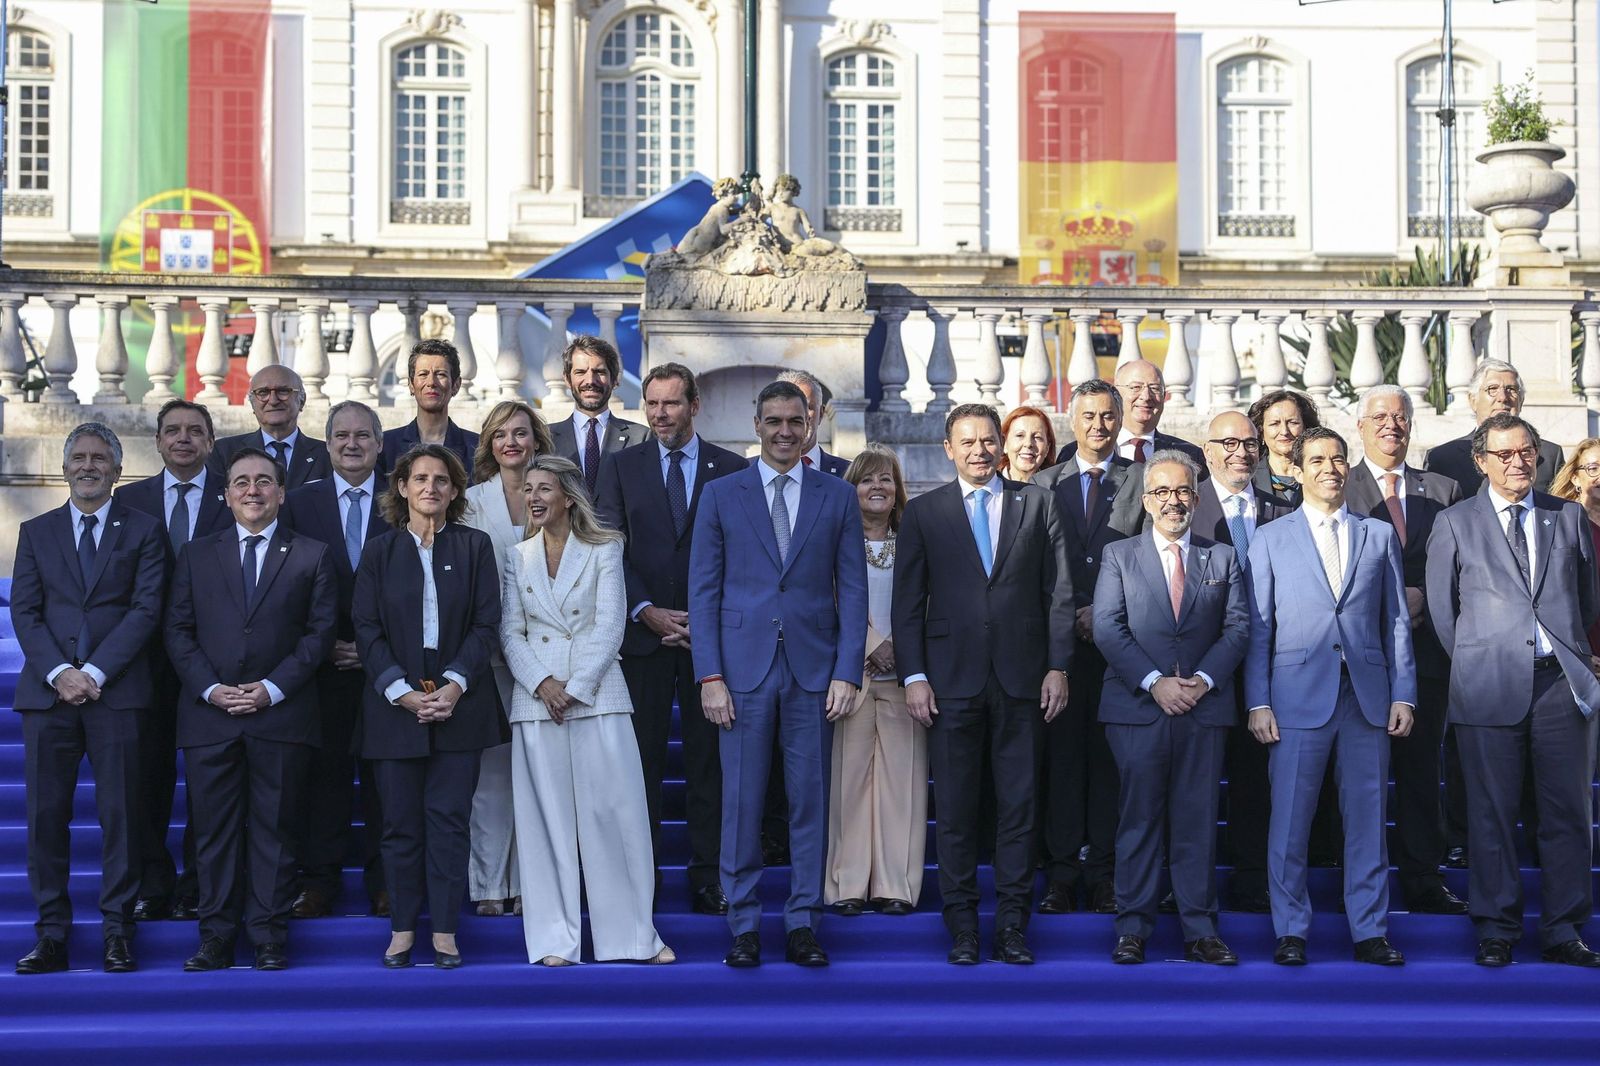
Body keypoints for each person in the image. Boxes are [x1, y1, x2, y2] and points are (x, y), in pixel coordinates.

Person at [689, 380, 868, 968]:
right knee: (740, 802)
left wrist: (847, 672)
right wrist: (709, 676)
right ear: (757, 423)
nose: (785, 431)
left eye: (796, 421)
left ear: (810, 424)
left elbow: (855, 591)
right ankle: (743, 925)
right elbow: (705, 590)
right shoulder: (721, 494)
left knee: (809, 802)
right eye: (774, 421)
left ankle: (801, 923)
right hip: (740, 672)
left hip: (815, 674)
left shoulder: (836, 496)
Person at [894, 403, 1072, 966]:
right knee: (956, 811)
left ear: (1001, 446)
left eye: (987, 440)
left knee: (1019, 807)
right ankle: (964, 927)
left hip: (1024, 679)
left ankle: (1014, 926)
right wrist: (915, 675)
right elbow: (907, 604)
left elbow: (1060, 593)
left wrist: (1058, 665)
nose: (978, 450)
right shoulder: (924, 513)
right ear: (949, 449)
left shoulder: (1040, 503)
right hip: (949, 683)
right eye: (966, 442)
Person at [1425, 413, 1600, 968]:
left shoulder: (1567, 516)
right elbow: (1442, 611)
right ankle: (1496, 928)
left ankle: (1564, 930)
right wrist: (1483, 659)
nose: (1517, 462)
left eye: (1525, 452)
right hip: (1486, 686)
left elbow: (1587, 599)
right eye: (1503, 454)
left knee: (1568, 813)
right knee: (1490, 814)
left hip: (1558, 686)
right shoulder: (1455, 522)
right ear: (1481, 461)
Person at [1244, 428, 1415, 967]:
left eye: (1338, 459)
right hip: (1294, 698)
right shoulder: (1269, 539)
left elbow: (1395, 622)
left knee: (1367, 818)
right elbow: (1258, 628)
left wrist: (1404, 693)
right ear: (1297, 470)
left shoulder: (1378, 535)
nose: (1330, 468)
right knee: (1289, 819)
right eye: (1316, 460)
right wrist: (1257, 701)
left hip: (1366, 698)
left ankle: (1370, 932)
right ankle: (1291, 930)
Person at [165, 447, 338, 971]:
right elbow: (177, 630)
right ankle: (216, 936)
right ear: (226, 494)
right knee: (213, 834)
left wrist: (270, 688)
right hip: (210, 717)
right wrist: (211, 689)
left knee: (276, 830)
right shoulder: (196, 554)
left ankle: (267, 936)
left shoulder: (312, 554)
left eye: (264, 481)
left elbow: (319, 633)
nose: (253, 490)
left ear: (282, 493)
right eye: (241, 482)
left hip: (281, 716)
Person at [500, 456, 674, 965]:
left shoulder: (605, 548)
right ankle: (555, 941)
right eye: (528, 489)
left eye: (544, 489)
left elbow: (610, 623)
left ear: (568, 497)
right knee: (545, 823)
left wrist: (575, 687)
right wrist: (542, 683)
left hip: (598, 696)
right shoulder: (517, 556)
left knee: (615, 818)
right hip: (537, 703)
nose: (533, 498)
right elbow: (510, 632)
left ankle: (633, 939)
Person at [12, 424, 165, 975]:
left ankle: (117, 933)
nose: (89, 465)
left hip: (116, 694)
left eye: (101, 457)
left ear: (118, 471)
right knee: (44, 819)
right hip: (48, 698)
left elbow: (146, 610)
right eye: (79, 456)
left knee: (120, 815)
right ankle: (51, 934)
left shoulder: (145, 531)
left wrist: (94, 671)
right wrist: (59, 672)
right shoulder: (36, 531)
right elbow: (24, 611)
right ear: (65, 467)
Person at [594, 363, 746, 917]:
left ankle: (708, 877)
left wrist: (702, 620)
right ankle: (643, 878)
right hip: (642, 642)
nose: (660, 415)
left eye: (671, 404)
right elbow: (608, 547)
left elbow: (740, 555)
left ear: (694, 405)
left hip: (711, 646)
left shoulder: (730, 469)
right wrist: (646, 610)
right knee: (642, 767)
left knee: (710, 766)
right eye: (652, 404)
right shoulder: (619, 467)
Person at [1093, 450, 1249, 965]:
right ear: (1146, 501)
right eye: (1161, 492)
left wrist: (1202, 681)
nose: (1173, 501)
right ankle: (1132, 928)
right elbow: (1107, 627)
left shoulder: (1221, 557)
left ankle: (1200, 931)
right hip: (1137, 708)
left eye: (1182, 491)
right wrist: (1156, 682)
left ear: (1197, 499)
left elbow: (1239, 628)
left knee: (1197, 820)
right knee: (1137, 819)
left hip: (1204, 710)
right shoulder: (1120, 555)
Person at [352, 445, 504, 969]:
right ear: (402, 487)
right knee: (398, 826)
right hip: (395, 708)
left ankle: (443, 930)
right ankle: (400, 930)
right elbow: (366, 630)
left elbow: (488, 625)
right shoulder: (378, 552)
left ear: (456, 490)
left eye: (442, 479)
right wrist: (401, 690)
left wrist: (456, 685)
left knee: (449, 822)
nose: (430, 488)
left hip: (460, 703)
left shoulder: (475, 546)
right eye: (420, 478)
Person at [1345, 385, 1467, 915]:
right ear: (1361, 427)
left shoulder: (1444, 489)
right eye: (1380, 417)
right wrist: (1391, 599)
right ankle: (1349, 875)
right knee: (1355, 773)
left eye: (1400, 417)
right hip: (1357, 654)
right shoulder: (1335, 483)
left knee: (1421, 771)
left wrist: (1423, 595)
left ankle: (1423, 876)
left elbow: (1464, 563)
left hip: (1429, 650)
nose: (1391, 425)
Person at [114, 399, 233, 923]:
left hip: (218, 661)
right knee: (146, 779)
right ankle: (152, 882)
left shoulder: (235, 494)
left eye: (194, 431)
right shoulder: (130, 499)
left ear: (211, 442)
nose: (183, 439)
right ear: (158, 442)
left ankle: (199, 883)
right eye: (172, 431)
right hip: (144, 664)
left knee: (212, 785)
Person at [1033, 379, 1144, 914]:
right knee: (1061, 764)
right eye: (1089, 416)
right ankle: (1059, 875)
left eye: (1108, 417)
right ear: (1071, 421)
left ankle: (1103, 873)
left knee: (1110, 765)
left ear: (1120, 423)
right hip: (1056, 653)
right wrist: (1068, 616)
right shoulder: (1042, 483)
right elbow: (1032, 566)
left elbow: (1147, 558)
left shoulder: (1143, 482)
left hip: (1119, 652)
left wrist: (1101, 614)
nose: (1098, 426)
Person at [280, 401, 392, 919]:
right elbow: (285, 585)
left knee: (385, 781)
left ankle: (386, 883)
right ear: (326, 445)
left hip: (387, 671)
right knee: (321, 779)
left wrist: (372, 652)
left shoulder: (404, 497)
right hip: (318, 669)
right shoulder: (299, 504)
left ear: (379, 444)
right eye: (341, 435)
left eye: (363, 435)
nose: (352, 443)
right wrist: (322, 645)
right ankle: (318, 882)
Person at [1191, 411, 1294, 913]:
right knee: (1196, 783)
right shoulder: (1186, 504)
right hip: (1198, 668)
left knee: (1257, 781)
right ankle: (1190, 884)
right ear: (1206, 451)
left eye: (1249, 444)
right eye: (1227, 443)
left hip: (1270, 669)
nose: (1240, 452)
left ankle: (1253, 880)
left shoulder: (1284, 507)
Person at [460, 400, 556, 918]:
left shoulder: (559, 498)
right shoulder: (471, 502)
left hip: (549, 661)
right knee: (493, 778)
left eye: (520, 432)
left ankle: (530, 885)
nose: (511, 442)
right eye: (500, 435)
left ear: (536, 440)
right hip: (490, 658)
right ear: (489, 446)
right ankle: (488, 885)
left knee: (540, 776)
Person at [825, 444, 925, 917]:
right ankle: (847, 884)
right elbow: (824, 603)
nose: (877, 487)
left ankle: (895, 886)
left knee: (899, 783)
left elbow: (932, 603)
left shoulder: (916, 540)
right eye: (867, 479)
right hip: (852, 676)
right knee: (850, 782)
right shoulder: (831, 543)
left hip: (907, 677)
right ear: (852, 488)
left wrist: (897, 650)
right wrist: (868, 648)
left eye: (886, 478)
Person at [1426, 360, 1565, 495]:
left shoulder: (1549, 456)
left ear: (1521, 401)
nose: (1503, 397)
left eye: (1511, 389)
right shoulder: (1443, 459)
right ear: (1473, 400)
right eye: (1492, 389)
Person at [1055, 359, 1202, 469]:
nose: (1146, 396)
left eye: (1155, 388)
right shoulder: (1074, 453)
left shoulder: (1189, 455)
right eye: (1136, 387)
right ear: (1117, 394)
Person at [547, 335, 649, 494]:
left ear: (615, 380)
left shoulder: (641, 438)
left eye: (599, 372)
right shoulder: (546, 438)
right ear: (567, 379)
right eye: (580, 372)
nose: (590, 381)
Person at [210, 364, 331, 489]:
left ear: (302, 400)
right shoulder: (223, 453)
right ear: (252, 404)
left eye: (283, 391)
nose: (273, 401)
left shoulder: (327, 455)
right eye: (263, 392)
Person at [379, 338, 481, 480]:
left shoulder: (476, 448)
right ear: (411, 384)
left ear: (456, 385)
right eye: (423, 374)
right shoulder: (385, 446)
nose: (431, 382)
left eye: (441, 374)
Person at [1550, 438, 1600, 660]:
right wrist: (1580, 654)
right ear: (1575, 478)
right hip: (1583, 644)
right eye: (1593, 468)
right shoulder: (1559, 525)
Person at [1247, 389, 1320, 503]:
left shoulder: (1320, 474)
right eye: (1274, 424)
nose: (1284, 431)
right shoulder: (1248, 479)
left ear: (1306, 427)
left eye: (1293, 422)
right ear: (1261, 432)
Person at [778, 367, 851, 475]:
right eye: (787, 407)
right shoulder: (747, 470)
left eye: (807, 407)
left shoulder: (848, 472)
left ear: (821, 414)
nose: (797, 415)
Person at [998, 405, 1057, 483]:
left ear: (1047, 448)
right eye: (1020, 435)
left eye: (1037, 437)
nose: (1028, 443)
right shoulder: (990, 484)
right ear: (1004, 443)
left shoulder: (1058, 489)